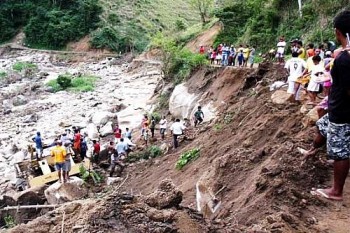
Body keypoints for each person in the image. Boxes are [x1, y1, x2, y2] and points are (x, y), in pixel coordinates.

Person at [311, 10, 350, 201]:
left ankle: (336, 191)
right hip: (336, 107)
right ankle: (312, 151)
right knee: (321, 125)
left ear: (338, 32)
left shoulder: (345, 59)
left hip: (343, 111)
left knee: (341, 152)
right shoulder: (344, 55)